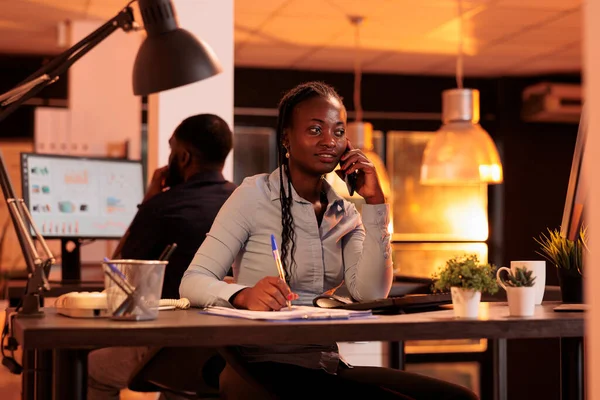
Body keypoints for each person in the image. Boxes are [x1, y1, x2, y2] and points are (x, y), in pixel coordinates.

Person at [180, 82, 479, 400]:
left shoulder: (346, 213)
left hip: (325, 365)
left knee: (460, 398)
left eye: (338, 132)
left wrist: (376, 204)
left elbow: (371, 293)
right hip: (260, 369)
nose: (329, 142)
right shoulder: (253, 196)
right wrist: (242, 295)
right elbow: (192, 281)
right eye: (314, 129)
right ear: (286, 138)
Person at [87, 114, 237, 400]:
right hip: (230, 354)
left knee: (89, 369)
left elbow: (119, 278)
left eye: (171, 149)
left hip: (171, 348)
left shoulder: (163, 205)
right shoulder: (244, 202)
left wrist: (148, 203)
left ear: (183, 156)